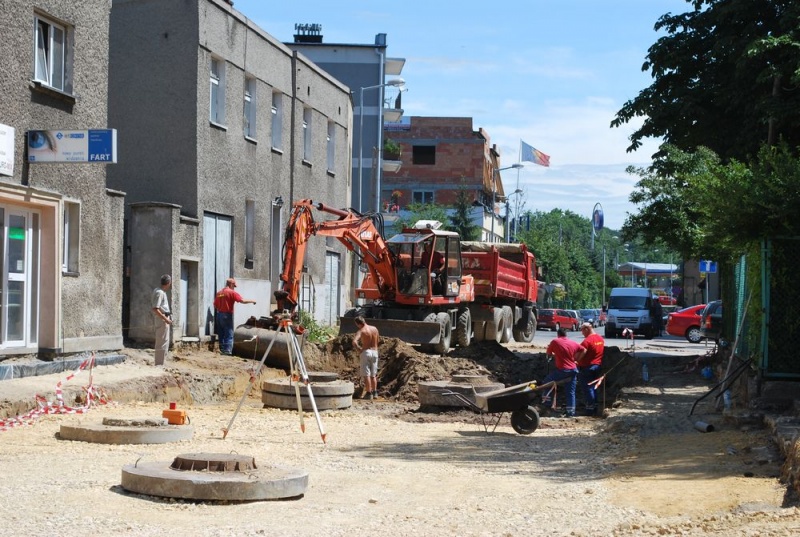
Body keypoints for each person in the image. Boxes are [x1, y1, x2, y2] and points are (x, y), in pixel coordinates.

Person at [541, 327, 583, 417]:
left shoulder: (555, 341)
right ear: (566, 334)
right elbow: (583, 349)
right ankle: (571, 412)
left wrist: (554, 354)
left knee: (547, 382)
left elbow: (548, 354)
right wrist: (576, 359)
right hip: (573, 370)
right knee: (570, 392)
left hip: (563, 370)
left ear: (558, 334)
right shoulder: (572, 343)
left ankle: (547, 405)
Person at [213, 277, 257, 355]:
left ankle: (222, 349)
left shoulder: (219, 293)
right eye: (234, 286)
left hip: (219, 315)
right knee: (229, 333)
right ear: (231, 284)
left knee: (221, 333)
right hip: (227, 315)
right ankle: (227, 351)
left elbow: (215, 305)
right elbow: (242, 301)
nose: (234, 288)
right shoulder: (232, 293)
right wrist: (252, 301)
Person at [577, 322, 605, 416]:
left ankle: (590, 409)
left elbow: (583, 351)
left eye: (582, 330)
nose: (582, 333)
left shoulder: (587, 341)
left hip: (587, 367)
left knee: (588, 388)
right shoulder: (600, 339)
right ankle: (595, 407)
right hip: (597, 366)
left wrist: (576, 360)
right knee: (594, 387)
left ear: (586, 329)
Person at [353, 316, 380, 400]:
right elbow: (378, 340)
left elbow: (354, 342)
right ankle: (375, 392)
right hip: (375, 352)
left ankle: (369, 393)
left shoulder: (361, 331)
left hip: (366, 352)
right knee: (373, 374)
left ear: (358, 324)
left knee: (366, 374)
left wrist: (359, 350)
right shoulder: (374, 329)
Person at [151, 274, 172, 366]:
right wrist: (165, 319)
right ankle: (159, 364)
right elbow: (155, 308)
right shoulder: (159, 292)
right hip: (162, 319)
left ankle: (162, 363)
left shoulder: (160, 291)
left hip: (164, 318)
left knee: (165, 341)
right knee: (161, 342)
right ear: (168, 283)